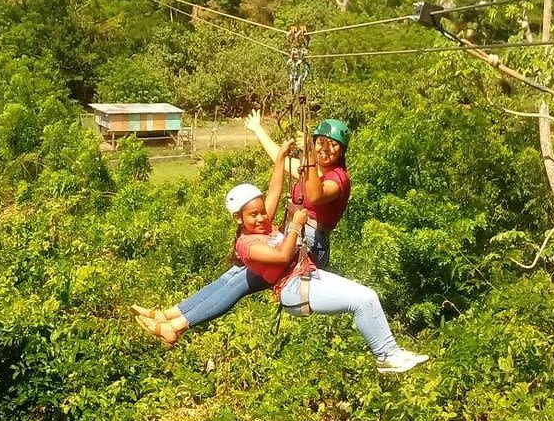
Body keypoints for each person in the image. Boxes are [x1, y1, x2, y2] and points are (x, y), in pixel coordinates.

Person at [136, 140, 429, 373]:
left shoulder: (262, 224)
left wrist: (278, 160)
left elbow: (274, 190)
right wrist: (296, 226)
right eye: (255, 215)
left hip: (305, 275)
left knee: (231, 280)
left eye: (263, 212)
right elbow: (281, 256)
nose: (263, 218)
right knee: (236, 282)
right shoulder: (249, 244)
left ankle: (171, 317)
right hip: (293, 285)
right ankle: (388, 355)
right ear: (239, 219)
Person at [131, 111, 352, 331]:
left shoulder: (338, 178)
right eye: (320, 143)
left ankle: (176, 327)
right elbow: (279, 160)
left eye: (333, 145)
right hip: (292, 237)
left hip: (309, 245)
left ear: (342, 150)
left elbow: (315, 195)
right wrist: (258, 129)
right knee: (233, 274)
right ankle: (169, 314)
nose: (325, 149)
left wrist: (309, 157)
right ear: (314, 143)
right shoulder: (310, 169)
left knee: (241, 281)